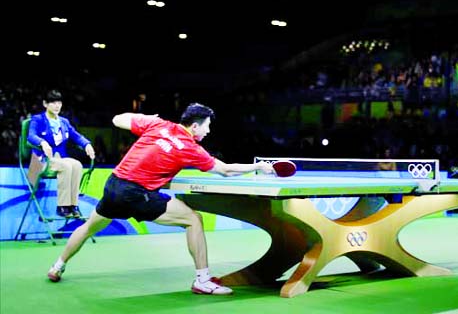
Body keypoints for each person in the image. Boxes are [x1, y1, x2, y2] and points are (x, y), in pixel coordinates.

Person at [46, 103, 274, 295]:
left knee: (89, 228)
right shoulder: (191, 148)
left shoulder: (158, 124)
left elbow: (117, 119)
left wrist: (144, 117)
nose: (209, 131)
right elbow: (225, 170)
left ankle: (57, 266)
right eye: (207, 126)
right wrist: (258, 166)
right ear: (194, 126)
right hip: (136, 193)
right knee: (193, 219)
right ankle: (202, 280)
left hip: (114, 184)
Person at [28, 90, 95, 218]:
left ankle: (73, 205)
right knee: (66, 166)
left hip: (60, 159)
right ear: (45, 104)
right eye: (53, 102)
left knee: (77, 165)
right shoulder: (38, 119)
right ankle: (62, 206)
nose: (57, 105)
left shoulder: (64, 122)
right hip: (41, 161)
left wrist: (87, 144)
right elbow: (31, 136)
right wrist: (42, 142)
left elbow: (76, 136)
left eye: (59, 102)